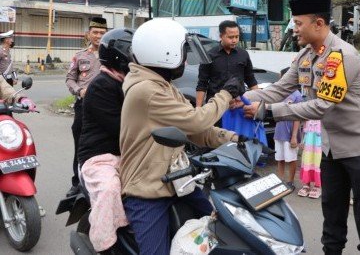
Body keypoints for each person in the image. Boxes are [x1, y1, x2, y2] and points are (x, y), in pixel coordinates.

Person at [242, 0, 360, 255]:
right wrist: (240, 98)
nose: (294, 28)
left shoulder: (342, 56)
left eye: (298, 23)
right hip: (332, 149)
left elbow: (321, 106)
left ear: (318, 24)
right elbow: (278, 89)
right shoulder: (305, 56)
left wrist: (268, 112)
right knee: (331, 213)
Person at [119, 18, 245, 254]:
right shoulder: (147, 90)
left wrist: (236, 139)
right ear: (163, 53)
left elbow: (195, 130)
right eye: (182, 52)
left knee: (220, 228)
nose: (185, 59)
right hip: (147, 189)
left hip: (177, 181)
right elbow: (197, 120)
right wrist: (225, 95)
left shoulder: (163, 85)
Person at [77, 28, 134, 253]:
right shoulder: (102, 85)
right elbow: (122, 128)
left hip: (125, 153)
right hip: (99, 157)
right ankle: (104, 245)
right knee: (110, 188)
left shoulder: (128, 82)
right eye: (131, 52)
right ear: (119, 56)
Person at [66, 17, 108, 197]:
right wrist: (79, 91)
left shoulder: (111, 54)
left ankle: (101, 180)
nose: (98, 36)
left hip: (106, 107)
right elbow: (69, 78)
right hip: (83, 107)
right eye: (95, 32)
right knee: (81, 145)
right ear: (88, 34)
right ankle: (77, 182)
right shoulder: (80, 55)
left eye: (102, 33)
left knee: (104, 145)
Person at [196, 20, 258, 109]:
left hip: (238, 105)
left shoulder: (243, 54)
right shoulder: (209, 56)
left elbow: (251, 79)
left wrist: (257, 103)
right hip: (215, 106)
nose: (234, 40)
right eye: (231, 37)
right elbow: (202, 83)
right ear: (221, 36)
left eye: (237, 37)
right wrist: (198, 108)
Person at [273, 68, 301, 190]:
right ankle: (280, 181)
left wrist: (294, 136)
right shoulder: (280, 94)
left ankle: (290, 182)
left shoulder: (296, 95)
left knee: (291, 158)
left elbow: (297, 118)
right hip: (279, 131)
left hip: (290, 133)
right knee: (280, 158)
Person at [297, 119, 322, 199]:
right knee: (307, 160)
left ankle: (317, 186)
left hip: (320, 141)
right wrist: (302, 141)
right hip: (308, 139)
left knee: (317, 162)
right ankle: (306, 184)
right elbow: (304, 126)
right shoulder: (309, 110)